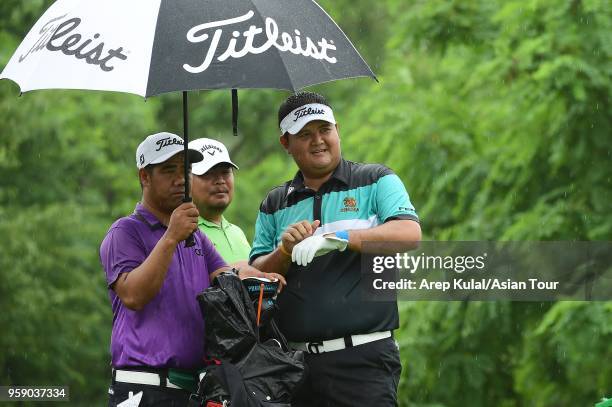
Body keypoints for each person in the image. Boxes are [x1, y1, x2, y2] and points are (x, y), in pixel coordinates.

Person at [250, 92, 422, 406]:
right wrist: (284, 251)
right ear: (285, 143)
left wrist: (340, 237)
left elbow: (409, 233)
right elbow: (257, 276)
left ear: (337, 130)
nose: (318, 140)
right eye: (305, 134)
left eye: (324, 130)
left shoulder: (375, 180)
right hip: (294, 366)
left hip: (363, 359)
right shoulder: (274, 204)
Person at [100, 132, 285, 407]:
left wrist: (260, 278)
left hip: (191, 389)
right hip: (142, 386)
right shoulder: (125, 232)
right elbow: (134, 295)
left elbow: (226, 280)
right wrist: (171, 237)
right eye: (168, 170)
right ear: (144, 177)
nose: (179, 179)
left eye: (184, 170)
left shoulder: (195, 236)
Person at [189, 138, 251, 266]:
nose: (220, 180)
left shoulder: (237, 232)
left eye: (225, 172)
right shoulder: (184, 234)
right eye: (208, 173)